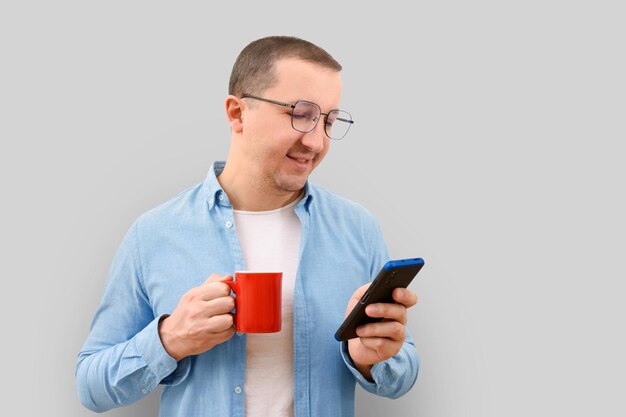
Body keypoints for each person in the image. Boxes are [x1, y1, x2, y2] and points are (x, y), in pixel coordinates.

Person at [76, 35, 420, 417]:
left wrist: (372, 359)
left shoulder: (358, 230)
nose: (318, 141)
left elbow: (403, 371)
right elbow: (91, 386)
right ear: (237, 114)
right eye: (301, 114)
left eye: (329, 121)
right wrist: (170, 338)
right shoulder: (154, 234)